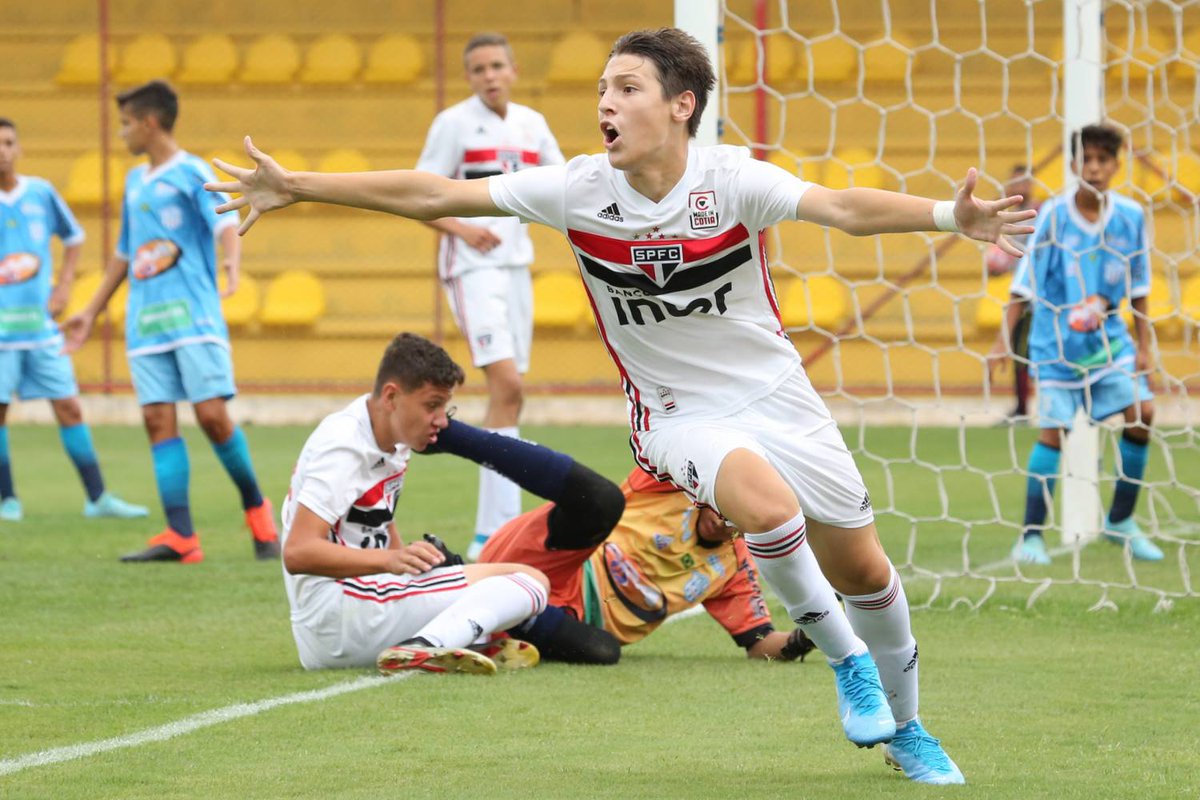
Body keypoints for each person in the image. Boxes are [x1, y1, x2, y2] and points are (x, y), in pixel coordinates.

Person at [207, 27, 1036, 784]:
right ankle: (848, 663)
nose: (606, 102)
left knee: (866, 571)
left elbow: (843, 208)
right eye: (602, 87)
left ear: (682, 105)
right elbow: (435, 194)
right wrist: (301, 185)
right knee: (766, 508)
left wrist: (946, 217)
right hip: (678, 413)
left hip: (777, 394)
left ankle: (911, 727)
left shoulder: (732, 178)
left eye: (628, 87)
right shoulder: (576, 191)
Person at [61, 81, 278, 563]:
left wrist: (232, 263)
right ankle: (181, 536)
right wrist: (89, 311)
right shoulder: (135, 181)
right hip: (146, 323)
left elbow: (225, 221)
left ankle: (260, 517)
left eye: (125, 124)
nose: (121, 134)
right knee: (157, 420)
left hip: (194, 317)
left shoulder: (190, 173)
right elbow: (125, 253)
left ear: (149, 122)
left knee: (212, 419)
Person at [425, 420, 816, 664]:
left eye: (736, 522)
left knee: (604, 651)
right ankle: (451, 434)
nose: (722, 521)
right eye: (723, 506)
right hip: (548, 558)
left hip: (566, 621)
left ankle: (481, 596)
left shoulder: (734, 569)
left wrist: (808, 635)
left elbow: (761, 642)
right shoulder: (676, 483)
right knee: (602, 501)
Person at [280, 332, 550, 674]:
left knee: (507, 583)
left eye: (445, 406)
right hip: (340, 613)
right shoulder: (343, 446)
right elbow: (298, 552)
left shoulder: (390, 436)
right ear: (392, 396)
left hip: (351, 614)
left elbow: (376, 519)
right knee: (530, 581)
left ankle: (450, 639)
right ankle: (429, 645)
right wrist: (391, 559)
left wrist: (409, 561)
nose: (441, 419)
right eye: (431, 405)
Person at [415, 32, 566, 561]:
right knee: (506, 383)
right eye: (478, 69)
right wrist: (464, 230)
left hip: (515, 269)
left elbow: (563, 182)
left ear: (514, 69)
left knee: (512, 394)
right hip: (472, 267)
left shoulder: (532, 124)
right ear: (469, 76)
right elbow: (420, 195)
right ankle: (494, 534)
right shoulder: (453, 124)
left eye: (497, 65)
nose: (489, 75)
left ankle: (502, 531)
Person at [988, 124, 1161, 565]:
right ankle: (1030, 537)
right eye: (1088, 159)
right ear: (1073, 165)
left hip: (1110, 344)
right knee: (1054, 434)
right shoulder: (1054, 216)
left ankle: (1120, 521)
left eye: (1104, 159)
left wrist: (1145, 346)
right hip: (1057, 348)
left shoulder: (1131, 217)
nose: (1096, 167)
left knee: (1143, 413)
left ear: (1116, 166)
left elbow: (1138, 286)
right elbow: (1023, 285)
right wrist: (1002, 340)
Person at [0, 118, 148, 522]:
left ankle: (97, 497)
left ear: (19, 148)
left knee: (69, 407)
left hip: (42, 328)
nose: (3, 150)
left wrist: (64, 285)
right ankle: (6, 500)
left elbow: (73, 237)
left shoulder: (40, 193)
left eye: (9, 142)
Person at [984, 165, 1038, 422]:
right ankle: (1022, 407)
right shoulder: (1006, 217)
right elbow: (998, 263)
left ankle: (1034, 405)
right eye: (1015, 182)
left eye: (1024, 182)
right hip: (1021, 297)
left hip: (1041, 297)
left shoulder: (1039, 214)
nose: (1020, 187)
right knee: (1018, 351)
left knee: (1032, 351)